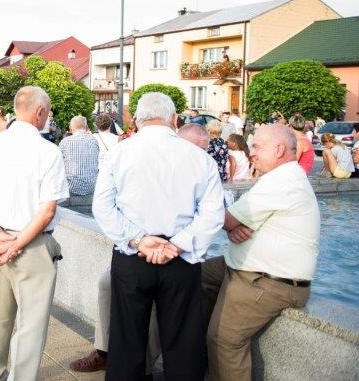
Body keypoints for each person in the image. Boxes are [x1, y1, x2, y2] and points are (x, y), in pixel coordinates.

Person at [92, 92, 224, 381]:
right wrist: (177, 245)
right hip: (181, 260)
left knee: (126, 342)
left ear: (137, 120)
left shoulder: (118, 153)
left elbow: (102, 207)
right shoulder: (200, 158)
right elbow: (212, 214)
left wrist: (139, 240)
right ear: (174, 119)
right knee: (183, 343)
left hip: (133, 256)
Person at [202, 124, 319, 381]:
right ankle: (194, 361)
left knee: (224, 340)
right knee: (193, 275)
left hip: (266, 280)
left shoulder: (281, 181)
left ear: (278, 149)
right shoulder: (284, 177)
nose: (251, 152)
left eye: (256, 146)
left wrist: (230, 226)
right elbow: (234, 224)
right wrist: (232, 229)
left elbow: (228, 220)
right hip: (246, 268)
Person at [0, 86, 69, 380]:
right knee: (31, 322)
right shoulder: (49, 152)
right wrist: (17, 244)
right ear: (40, 112)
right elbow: (47, 211)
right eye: (47, 112)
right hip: (33, 243)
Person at [59, 115, 100, 208]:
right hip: (92, 186)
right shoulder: (93, 141)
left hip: (71, 187)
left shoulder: (65, 142)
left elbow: (59, 165)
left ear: (70, 127)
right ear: (86, 127)